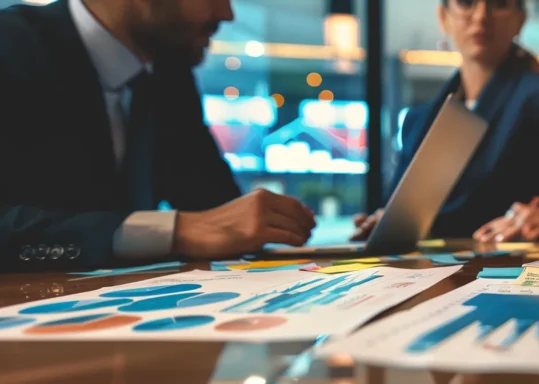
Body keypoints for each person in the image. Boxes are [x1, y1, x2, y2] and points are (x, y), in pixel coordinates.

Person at [0, 0, 316, 272]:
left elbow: (220, 211)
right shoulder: (10, 48)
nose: (227, 13)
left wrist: (277, 221)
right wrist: (174, 231)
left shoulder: (167, 74)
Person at [351, 0, 539, 242]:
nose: (481, 16)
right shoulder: (417, 120)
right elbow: (397, 213)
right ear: (443, 17)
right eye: (466, 2)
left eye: (499, 4)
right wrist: (382, 224)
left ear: (520, 19)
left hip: (512, 279)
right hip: (425, 280)